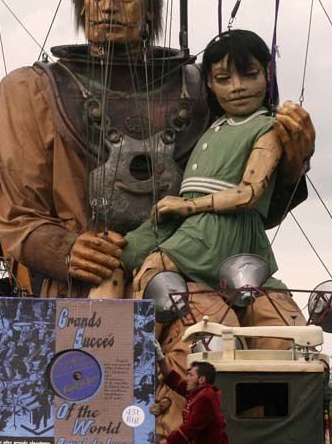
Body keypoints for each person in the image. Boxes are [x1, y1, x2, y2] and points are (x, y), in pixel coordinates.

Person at [0, 0, 315, 444]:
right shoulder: (32, 89)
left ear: (151, 3)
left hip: (195, 266)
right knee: (144, 369)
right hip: (93, 280)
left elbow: (254, 206)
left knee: (283, 346)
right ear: (80, 0)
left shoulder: (197, 86)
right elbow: (15, 215)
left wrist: (291, 161)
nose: (109, 5)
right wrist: (66, 248)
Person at [119, 29, 289, 300]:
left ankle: (140, 338)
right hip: (185, 221)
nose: (237, 87)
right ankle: (95, 330)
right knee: (118, 255)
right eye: (223, 79)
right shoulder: (216, 125)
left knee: (155, 268)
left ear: (268, 74)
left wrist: (186, 205)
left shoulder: (266, 128)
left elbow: (248, 192)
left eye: (250, 75)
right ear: (209, 82)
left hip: (223, 225)